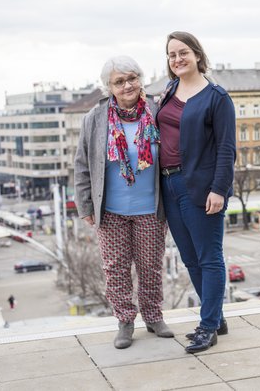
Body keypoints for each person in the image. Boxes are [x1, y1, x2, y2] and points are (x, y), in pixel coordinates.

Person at [74, 55, 174, 349]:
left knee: (151, 267)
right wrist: (85, 206)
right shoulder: (95, 118)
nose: (127, 85)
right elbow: (82, 165)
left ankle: (154, 317)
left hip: (149, 208)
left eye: (132, 78)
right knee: (115, 269)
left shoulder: (157, 111)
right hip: (111, 210)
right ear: (110, 87)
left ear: (140, 79)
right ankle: (125, 321)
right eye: (120, 81)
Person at [157, 31, 236, 354]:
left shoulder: (216, 97)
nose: (177, 59)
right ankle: (215, 316)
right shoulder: (169, 90)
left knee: (209, 257)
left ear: (198, 55)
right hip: (169, 183)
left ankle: (207, 327)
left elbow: (227, 149)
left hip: (202, 188)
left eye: (183, 53)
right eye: (172, 54)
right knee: (189, 257)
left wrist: (219, 189)